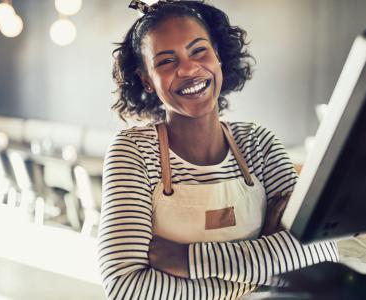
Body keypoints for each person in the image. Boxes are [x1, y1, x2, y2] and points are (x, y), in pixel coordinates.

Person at [98, 1, 339, 299]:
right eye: (165, 61)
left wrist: (186, 259)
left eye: (199, 50)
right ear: (147, 80)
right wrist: (257, 274)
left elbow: (322, 249)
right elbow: (126, 287)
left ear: (218, 56)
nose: (188, 68)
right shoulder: (133, 152)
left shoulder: (259, 144)